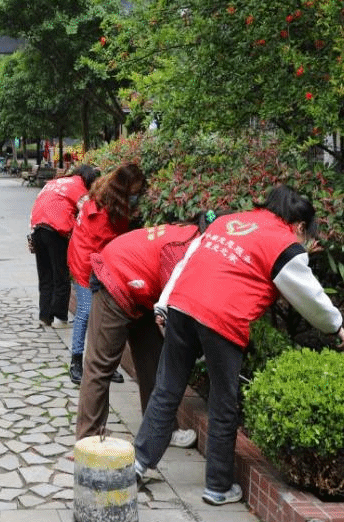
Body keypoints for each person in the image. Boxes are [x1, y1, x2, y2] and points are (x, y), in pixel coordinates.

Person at [133, 185, 344, 506]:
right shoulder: (284, 243)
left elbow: (186, 261)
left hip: (181, 304)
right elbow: (310, 297)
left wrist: (165, 304)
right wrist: (336, 326)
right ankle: (218, 486)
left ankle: (139, 465)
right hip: (222, 317)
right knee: (223, 402)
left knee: (166, 389)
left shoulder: (226, 221)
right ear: (300, 225)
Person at [75, 213, 218, 447]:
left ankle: (162, 430)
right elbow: (176, 305)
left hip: (141, 291)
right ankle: (87, 438)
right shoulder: (182, 250)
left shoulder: (192, 237)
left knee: (153, 360)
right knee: (100, 364)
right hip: (116, 277)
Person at [66, 162, 147, 385]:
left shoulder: (105, 192)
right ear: (125, 187)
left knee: (102, 316)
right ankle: (76, 361)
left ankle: (105, 366)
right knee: (86, 312)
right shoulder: (106, 211)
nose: (137, 195)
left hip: (89, 257)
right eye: (135, 191)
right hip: (86, 262)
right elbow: (109, 243)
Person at [29, 164, 100, 329]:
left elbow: (37, 204)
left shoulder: (54, 183)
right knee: (61, 274)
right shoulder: (79, 186)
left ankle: (45, 315)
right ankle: (60, 318)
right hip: (56, 230)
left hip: (37, 228)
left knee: (45, 275)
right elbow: (88, 212)